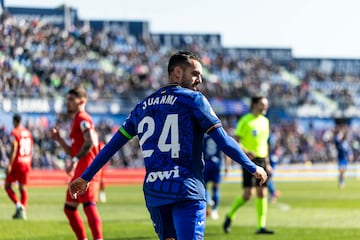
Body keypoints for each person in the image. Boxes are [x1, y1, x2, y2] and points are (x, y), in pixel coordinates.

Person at [68, 51, 268, 240]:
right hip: (186, 189)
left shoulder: (142, 106)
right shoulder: (194, 99)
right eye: (195, 74)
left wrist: (86, 176)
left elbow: (112, 146)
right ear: (178, 72)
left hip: (156, 191)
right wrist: (252, 167)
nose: (200, 80)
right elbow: (223, 140)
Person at [51, 86, 103, 240]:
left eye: (71, 99)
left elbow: (90, 143)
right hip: (79, 169)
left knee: (88, 205)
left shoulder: (83, 119)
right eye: (67, 99)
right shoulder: (77, 120)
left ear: (82, 101)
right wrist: (59, 139)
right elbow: (74, 152)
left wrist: (74, 161)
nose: (68, 103)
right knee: (69, 208)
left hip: (88, 168)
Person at [223, 96, 274, 234]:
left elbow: (265, 143)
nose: (265, 107)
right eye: (263, 104)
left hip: (262, 160)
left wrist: (267, 163)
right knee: (247, 195)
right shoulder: (245, 120)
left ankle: (261, 226)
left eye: (266, 105)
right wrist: (246, 151)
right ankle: (230, 215)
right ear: (254, 104)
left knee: (262, 193)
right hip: (249, 161)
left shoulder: (265, 121)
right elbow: (236, 141)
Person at [5, 113, 33, 220]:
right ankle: (23, 211)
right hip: (26, 162)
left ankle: (18, 205)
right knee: (23, 188)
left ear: (14, 121)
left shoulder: (14, 133)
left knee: (7, 186)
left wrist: (9, 164)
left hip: (17, 163)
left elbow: (14, 148)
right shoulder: (28, 133)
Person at [202, 133, 229, 220]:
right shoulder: (218, 135)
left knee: (203, 186)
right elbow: (226, 151)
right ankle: (214, 210)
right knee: (216, 188)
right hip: (216, 164)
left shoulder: (204, 137)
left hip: (206, 163)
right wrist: (227, 167)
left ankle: (209, 200)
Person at [333, 120, 353, 189]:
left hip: (345, 159)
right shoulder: (338, 142)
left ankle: (341, 181)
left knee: (343, 172)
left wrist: (350, 155)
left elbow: (348, 150)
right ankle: (341, 182)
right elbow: (336, 139)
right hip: (340, 158)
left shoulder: (345, 143)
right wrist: (339, 134)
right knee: (341, 171)